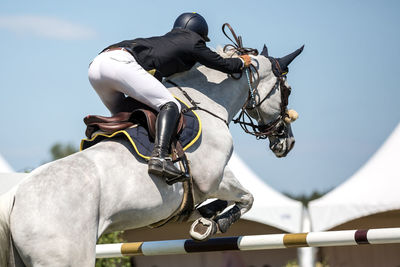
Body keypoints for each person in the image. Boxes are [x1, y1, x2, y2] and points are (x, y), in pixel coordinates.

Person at [88, 12, 251, 184]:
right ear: (200, 34)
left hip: (96, 66)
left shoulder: (169, 41)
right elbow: (221, 64)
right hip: (119, 64)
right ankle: (159, 157)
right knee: (170, 104)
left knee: (126, 117)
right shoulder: (193, 41)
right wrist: (241, 62)